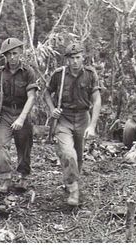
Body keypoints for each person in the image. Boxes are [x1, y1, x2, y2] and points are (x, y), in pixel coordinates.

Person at [44, 43, 102, 206]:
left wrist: (92, 125)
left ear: (83, 57)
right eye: (72, 58)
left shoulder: (91, 74)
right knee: (68, 153)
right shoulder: (59, 74)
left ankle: (71, 180)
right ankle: (74, 190)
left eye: (78, 57)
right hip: (64, 118)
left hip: (83, 117)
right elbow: (47, 92)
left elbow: (97, 100)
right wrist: (52, 109)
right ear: (67, 60)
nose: (75, 61)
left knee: (78, 156)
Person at [0, 37, 38, 193]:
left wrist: (22, 118)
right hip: (5, 113)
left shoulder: (28, 72)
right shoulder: (0, 73)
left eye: (15, 53)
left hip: (22, 112)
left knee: (24, 147)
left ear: (21, 53)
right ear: (5, 56)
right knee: (0, 145)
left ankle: (24, 177)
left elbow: (32, 97)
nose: (12, 57)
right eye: (9, 54)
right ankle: (5, 179)